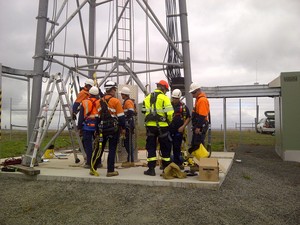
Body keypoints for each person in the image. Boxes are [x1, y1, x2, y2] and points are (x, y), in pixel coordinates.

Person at [90, 80, 126, 177]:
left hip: (102, 129)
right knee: (112, 149)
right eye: (115, 89)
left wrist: (96, 131)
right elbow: (121, 118)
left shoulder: (99, 102)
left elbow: (97, 118)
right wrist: (123, 128)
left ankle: (93, 168)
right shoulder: (116, 101)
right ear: (113, 90)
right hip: (114, 129)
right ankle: (110, 171)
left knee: (99, 149)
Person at [142, 80, 174, 176]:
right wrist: (168, 121)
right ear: (163, 88)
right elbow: (170, 113)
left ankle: (151, 169)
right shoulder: (165, 98)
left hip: (150, 126)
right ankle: (166, 169)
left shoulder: (147, 97)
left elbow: (143, 111)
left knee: (151, 147)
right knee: (165, 147)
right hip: (163, 126)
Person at [77, 86, 100, 168]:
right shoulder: (100, 102)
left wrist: (79, 127)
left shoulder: (85, 102)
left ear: (89, 93)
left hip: (87, 126)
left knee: (88, 145)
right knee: (98, 145)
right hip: (97, 126)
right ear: (97, 94)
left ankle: (89, 163)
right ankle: (98, 162)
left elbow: (81, 117)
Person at [169, 89, 191, 169]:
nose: (175, 100)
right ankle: (167, 163)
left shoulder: (183, 107)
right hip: (169, 130)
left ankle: (177, 163)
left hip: (179, 130)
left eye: (176, 98)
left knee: (177, 147)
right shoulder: (168, 105)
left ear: (179, 98)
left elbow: (188, 117)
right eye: (173, 98)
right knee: (167, 147)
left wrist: (183, 126)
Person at [188, 82, 210, 154]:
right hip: (199, 124)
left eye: (193, 92)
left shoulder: (202, 100)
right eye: (192, 93)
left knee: (198, 143)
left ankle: (202, 159)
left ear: (198, 90)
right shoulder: (198, 100)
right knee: (196, 142)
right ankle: (199, 159)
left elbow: (202, 116)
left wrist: (198, 127)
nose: (192, 95)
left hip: (201, 125)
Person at [119, 86, 136, 167]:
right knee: (127, 142)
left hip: (128, 124)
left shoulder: (128, 102)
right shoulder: (126, 101)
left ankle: (131, 160)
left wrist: (126, 119)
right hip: (129, 123)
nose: (121, 95)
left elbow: (131, 111)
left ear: (124, 94)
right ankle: (130, 159)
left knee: (127, 143)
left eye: (122, 94)